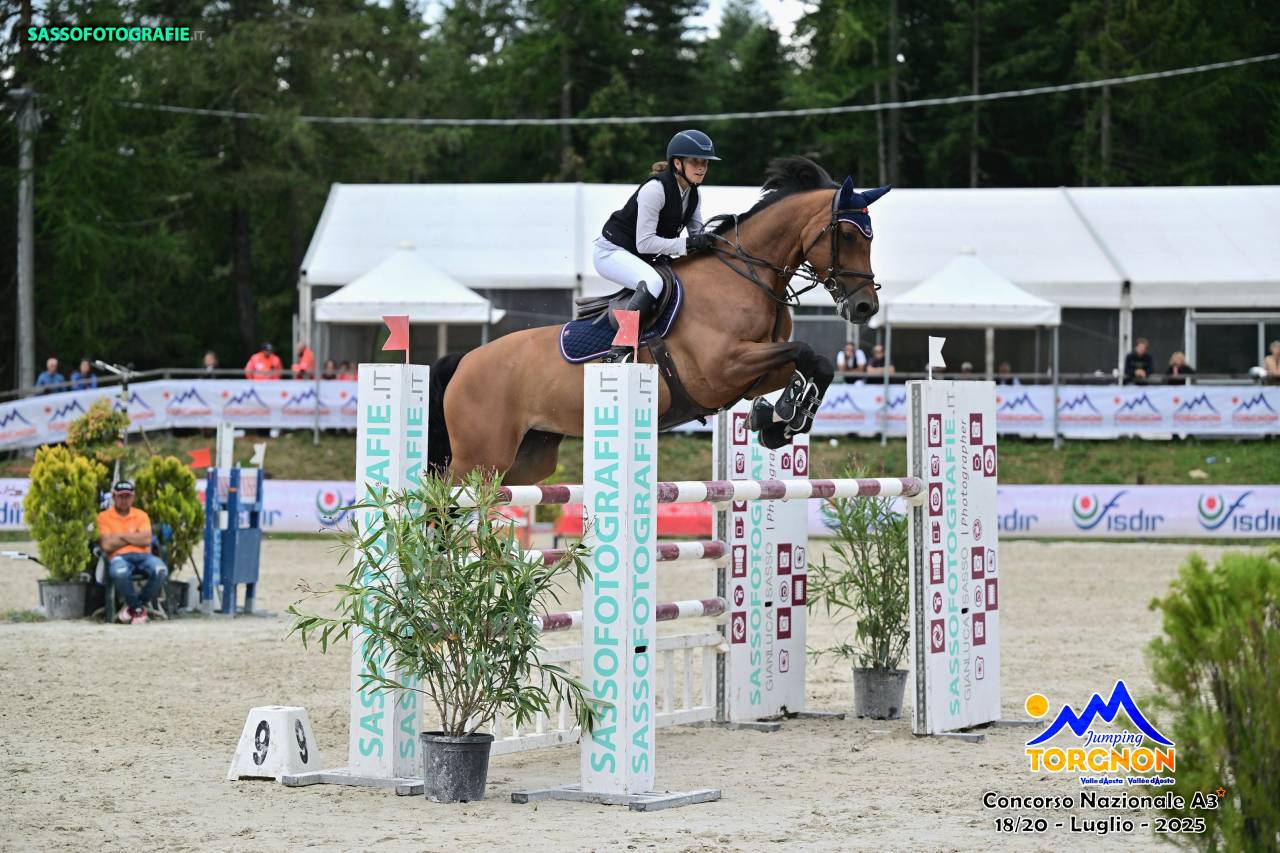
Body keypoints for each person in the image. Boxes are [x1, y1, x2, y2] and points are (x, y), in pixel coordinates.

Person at [595, 129, 721, 360]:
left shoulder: (693, 195)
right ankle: (620, 347)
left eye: (705, 162)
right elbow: (644, 243)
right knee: (652, 282)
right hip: (612, 252)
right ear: (677, 163)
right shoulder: (656, 189)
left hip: (641, 256)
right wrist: (688, 243)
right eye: (695, 161)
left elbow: (697, 234)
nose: (702, 167)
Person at [97, 481, 167, 625]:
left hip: (144, 556)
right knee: (120, 573)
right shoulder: (104, 517)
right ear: (114, 497)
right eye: (121, 496)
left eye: (127, 496)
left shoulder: (141, 515)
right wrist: (134, 536)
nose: (124, 500)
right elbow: (107, 545)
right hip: (118, 557)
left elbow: (146, 540)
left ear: (133, 497)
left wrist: (120, 536)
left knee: (161, 570)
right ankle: (138, 609)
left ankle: (134, 607)